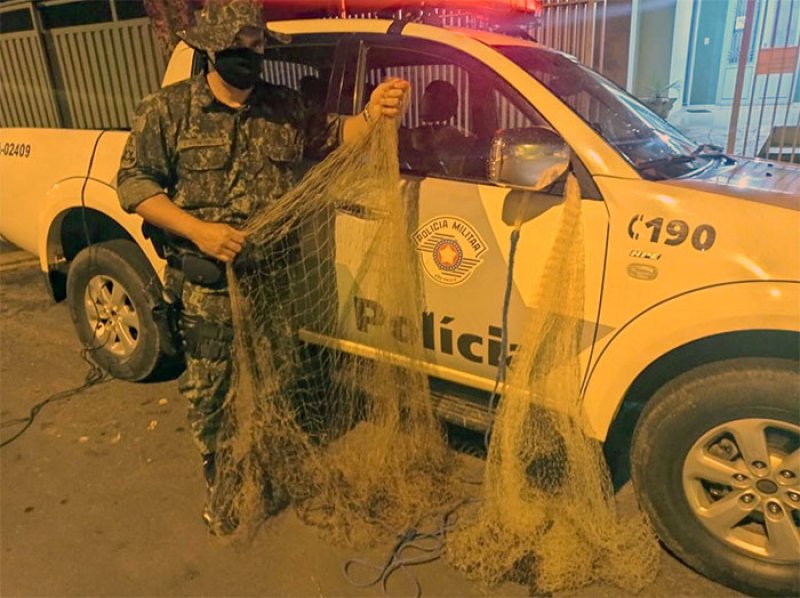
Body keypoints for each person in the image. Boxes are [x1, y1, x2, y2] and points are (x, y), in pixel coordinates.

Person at [116, 0, 409, 534]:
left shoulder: (285, 106)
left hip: (272, 276)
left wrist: (372, 112)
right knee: (213, 392)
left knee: (277, 379)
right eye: (236, 45)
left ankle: (269, 462)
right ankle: (223, 484)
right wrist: (198, 230)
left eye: (255, 45)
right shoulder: (168, 110)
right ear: (210, 49)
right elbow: (134, 187)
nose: (247, 55)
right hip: (207, 285)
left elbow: (336, 136)